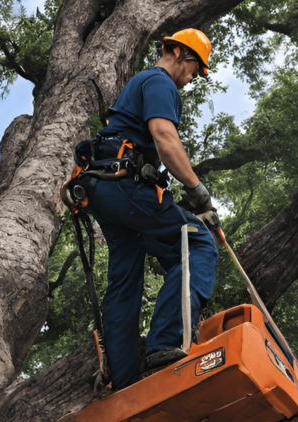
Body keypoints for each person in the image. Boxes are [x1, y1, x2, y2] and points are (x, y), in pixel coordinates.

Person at [79, 29, 220, 391]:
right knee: (198, 244)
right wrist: (199, 194)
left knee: (125, 279)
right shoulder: (159, 82)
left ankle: (123, 385)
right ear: (176, 52)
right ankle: (165, 344)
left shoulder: (141, 84)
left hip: (104, 189)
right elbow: (164, 137)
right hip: (124, 185)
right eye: (193, 69)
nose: (191, 79)